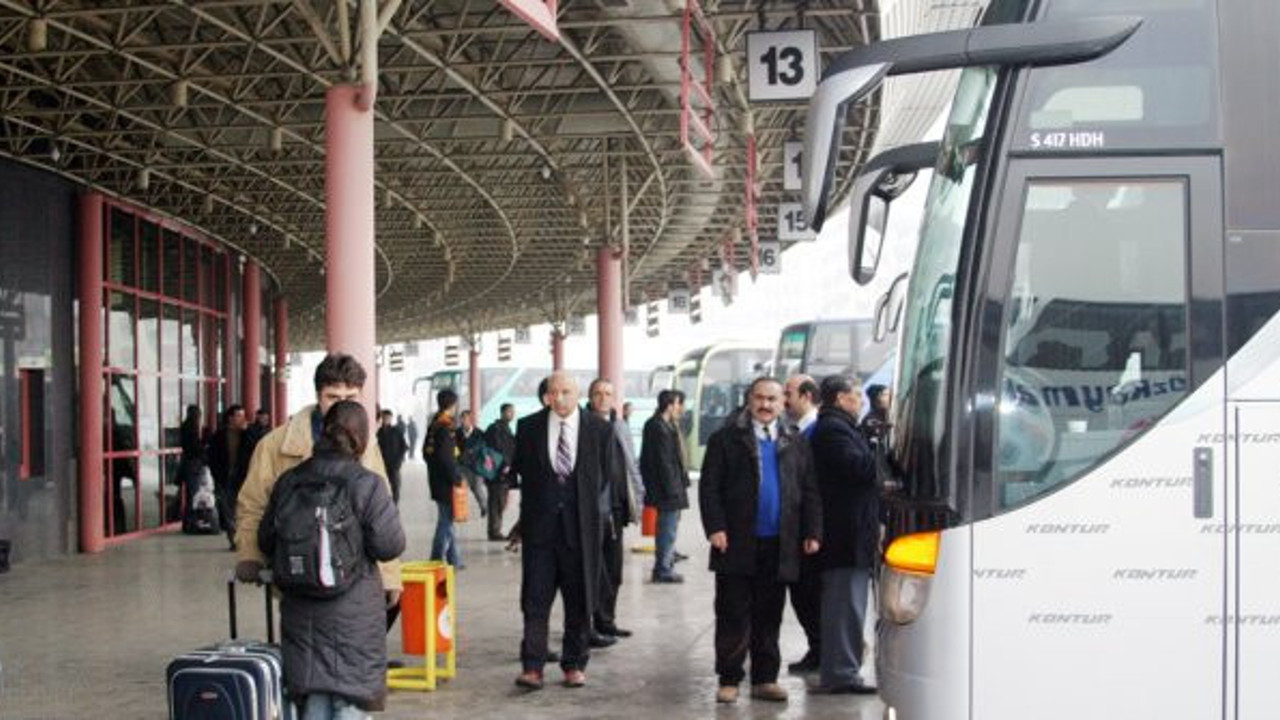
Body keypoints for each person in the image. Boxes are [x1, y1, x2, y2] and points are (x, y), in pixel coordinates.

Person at [259, 400, 406, 718]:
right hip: (354, 619)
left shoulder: (289, 481)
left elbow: (265, 540)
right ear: (362, 437)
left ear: (322, 432)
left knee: (313, 704)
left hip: (301, 616)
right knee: (349, 705)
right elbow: (390, 545)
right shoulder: (367, 484)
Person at [233, 353, 401, 621]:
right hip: (299, 572)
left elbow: (382, 513)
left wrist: (390, 574)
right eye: (333, 397)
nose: (341, 406)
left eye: (351, 398)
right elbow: (253, 504)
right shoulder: (275, 445)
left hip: (357, 573)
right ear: (317, 395)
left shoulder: (368, 444)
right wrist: (250, 554)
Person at [699, 377, 822, 705]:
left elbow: (809, 489)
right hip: (735, 542)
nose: (766, 405)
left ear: (783, 403)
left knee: (770, 615)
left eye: (773, 399)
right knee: (732, 613)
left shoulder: (795, 441)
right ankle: (729, 678)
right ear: (749, 400)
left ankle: (765, 679)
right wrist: (715, 527)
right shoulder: (726, 439)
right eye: (759, 398)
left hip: (779, 544)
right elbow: (709, 487)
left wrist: (812, 531)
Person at [511, 371, 613, 690]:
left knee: (579, 601)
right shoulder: (528, 428)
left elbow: (605, 476)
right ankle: (533, 667)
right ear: (546, 396)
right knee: (535, 600)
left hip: (581, 533)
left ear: (577, 394)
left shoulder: (599, 430)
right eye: (553, 393)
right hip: (540, 532)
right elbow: (520, 472)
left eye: (566, 392)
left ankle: (574, 664)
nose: (559, 398)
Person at [809, 376, 879, 695]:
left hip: (850, 531)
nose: (861, 401)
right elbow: (859, 469)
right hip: (844, 533)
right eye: (856, 396)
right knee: (844, 605)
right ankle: (840, 674)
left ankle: (843, 670)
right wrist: (878, 448)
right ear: (840, 398)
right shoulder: (833, 430)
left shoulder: (840, 428)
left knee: (849, 604)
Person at [587, 379, 644, 645]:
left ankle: (607, 621)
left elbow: (631, 463)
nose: (602, 398)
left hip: (616, 509)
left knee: (614, 570)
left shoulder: (619, 425)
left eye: (608, 394)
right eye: (597, 394)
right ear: (590, 397)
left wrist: (639, 498)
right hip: (591, 512)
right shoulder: (583, 425)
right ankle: (589, 625)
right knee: (593, 571)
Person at [782, 374, 823, 673]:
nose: (784, 399)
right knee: (801, 594)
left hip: (810, 528)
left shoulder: (818, 431)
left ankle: (821, 649)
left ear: (807, 395)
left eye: (789, 392)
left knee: (809, 594)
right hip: (791, 527)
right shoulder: (793, 430)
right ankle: (817, 647)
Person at [641, 389, 689, 583]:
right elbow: (664, 462)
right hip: (667, 489)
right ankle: (662, 569)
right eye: (679, 404)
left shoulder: (665, 425)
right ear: (670, 405)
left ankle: (666, 561)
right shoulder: (658, 427)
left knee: (669, 527)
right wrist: (674, 490)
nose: (681, 408)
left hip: (671, 486)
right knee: (666, 529)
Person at [425, 390, 464, 569]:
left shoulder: (434, 424)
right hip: (446, 482)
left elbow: (426, 453)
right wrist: (456, 477)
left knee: (446, 518)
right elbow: (446, 457)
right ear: (452, 405)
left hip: (436, 479)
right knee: (446, 521)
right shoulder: (446, 426)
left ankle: (454, 559)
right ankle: (436, 559)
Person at [207, 404, 250, 549]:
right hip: (224, 479)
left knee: (242, 510)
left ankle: (242, 539)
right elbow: (211, 457)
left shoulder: (247, 435)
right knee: (228, 511)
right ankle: (235, 540)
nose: (242, 419)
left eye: (243, 416)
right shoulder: (219, 436)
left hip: (242, 479)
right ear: (231, 418)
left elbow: (257, 445)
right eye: (239, 416)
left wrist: (247, 432)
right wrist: (216, 475)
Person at [484, 403, 518, 540]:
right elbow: (497, 450)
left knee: (500, 502)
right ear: (502, 412)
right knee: (496, 502)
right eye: (509, 411)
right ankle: (494, 532)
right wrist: (505, 464)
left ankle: (495, 530)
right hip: (498, 472)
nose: (512, 414)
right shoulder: (496, 429)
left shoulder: (505, 428)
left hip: (503, 472)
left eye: (513, 412)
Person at [456, 410, 488, 517]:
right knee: (460, 488)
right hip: (461, 466)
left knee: (477, 488)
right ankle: (460, 512)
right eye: (462, 418)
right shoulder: (457, 433)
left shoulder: (479, 433)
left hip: (476, 467)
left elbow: (484, 449)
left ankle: (484, 507)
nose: (463, 421)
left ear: (471, 420)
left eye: (465, 418)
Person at [376, 409, 409, 504]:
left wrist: (399, 460)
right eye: (384, 417)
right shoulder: (379, 433)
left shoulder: (396, 431)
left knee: (395, 486)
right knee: (383, 486)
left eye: (388, 418)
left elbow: (404, 446)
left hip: (394, 465)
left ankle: (395, 505)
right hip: (382, 464)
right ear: (381, 418)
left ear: (391, 418)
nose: (386, 419)